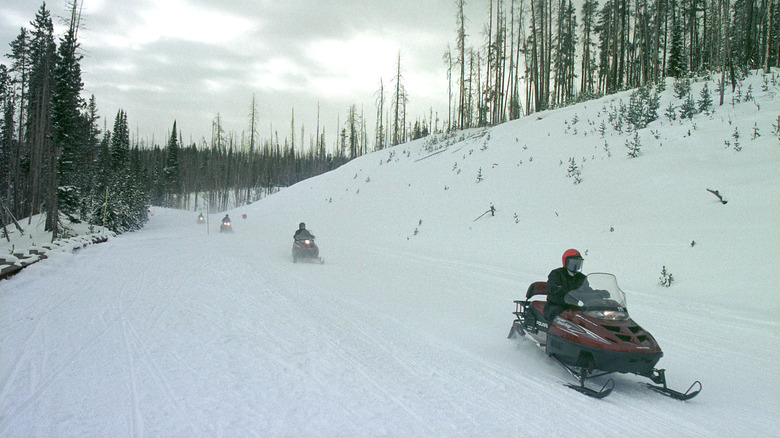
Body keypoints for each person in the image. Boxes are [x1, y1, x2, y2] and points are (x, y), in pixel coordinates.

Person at [543, 249, 586, 322]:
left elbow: (587, 289)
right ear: (566, 261)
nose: (575, 264)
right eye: (573, 262)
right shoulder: (557, 273)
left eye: (577, 262)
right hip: (556, 305)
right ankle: (551, 333)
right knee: (557, 315)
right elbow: (550, 285)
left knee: (586, 315)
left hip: (573, 306)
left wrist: (599, 293)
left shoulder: (581, 277)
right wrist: (556, 288)